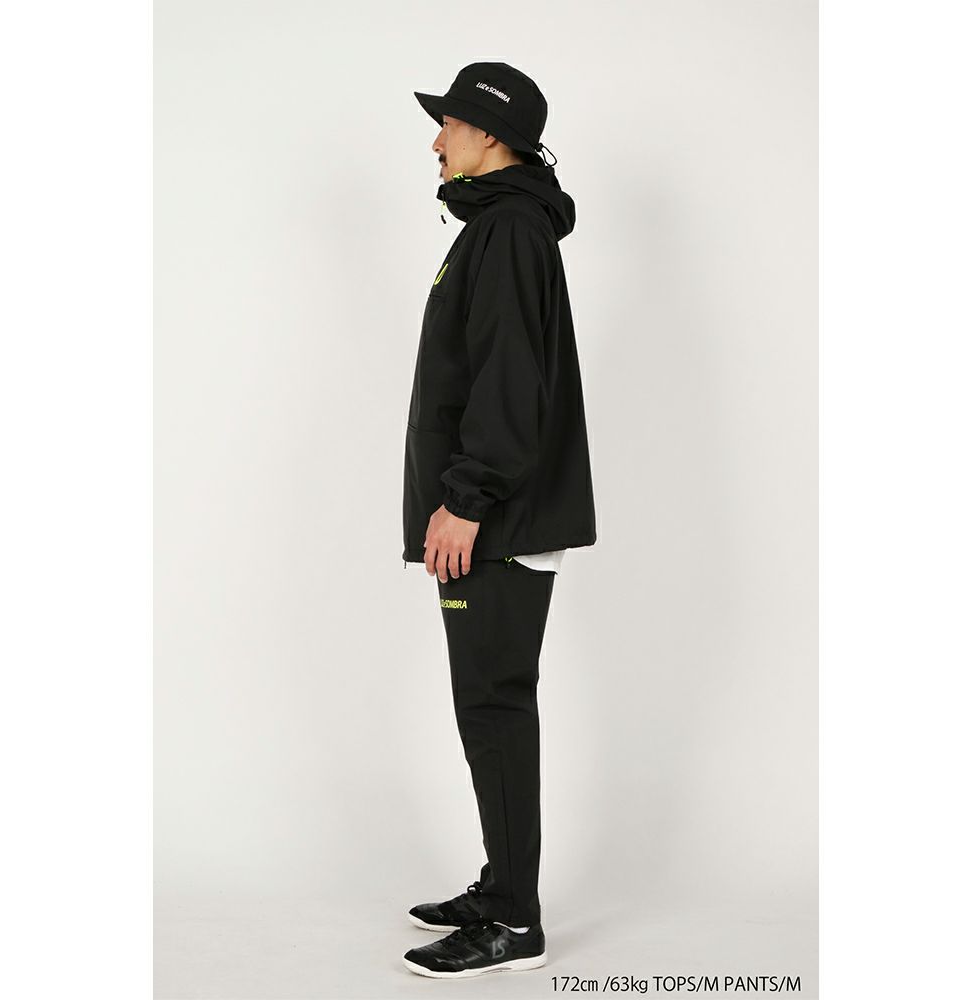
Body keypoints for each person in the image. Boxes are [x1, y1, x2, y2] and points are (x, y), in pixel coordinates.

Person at [400, 61, 597, 979]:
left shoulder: (510, 230)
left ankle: (515, 923)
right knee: (487, 705)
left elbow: (511, 382)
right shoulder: (498, 228)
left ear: (489, 133)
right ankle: (502, 884)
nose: (436, 141)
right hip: (492, 515)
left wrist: (466, 499)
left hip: (497, 521)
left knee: (494, 705)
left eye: (448, 124)